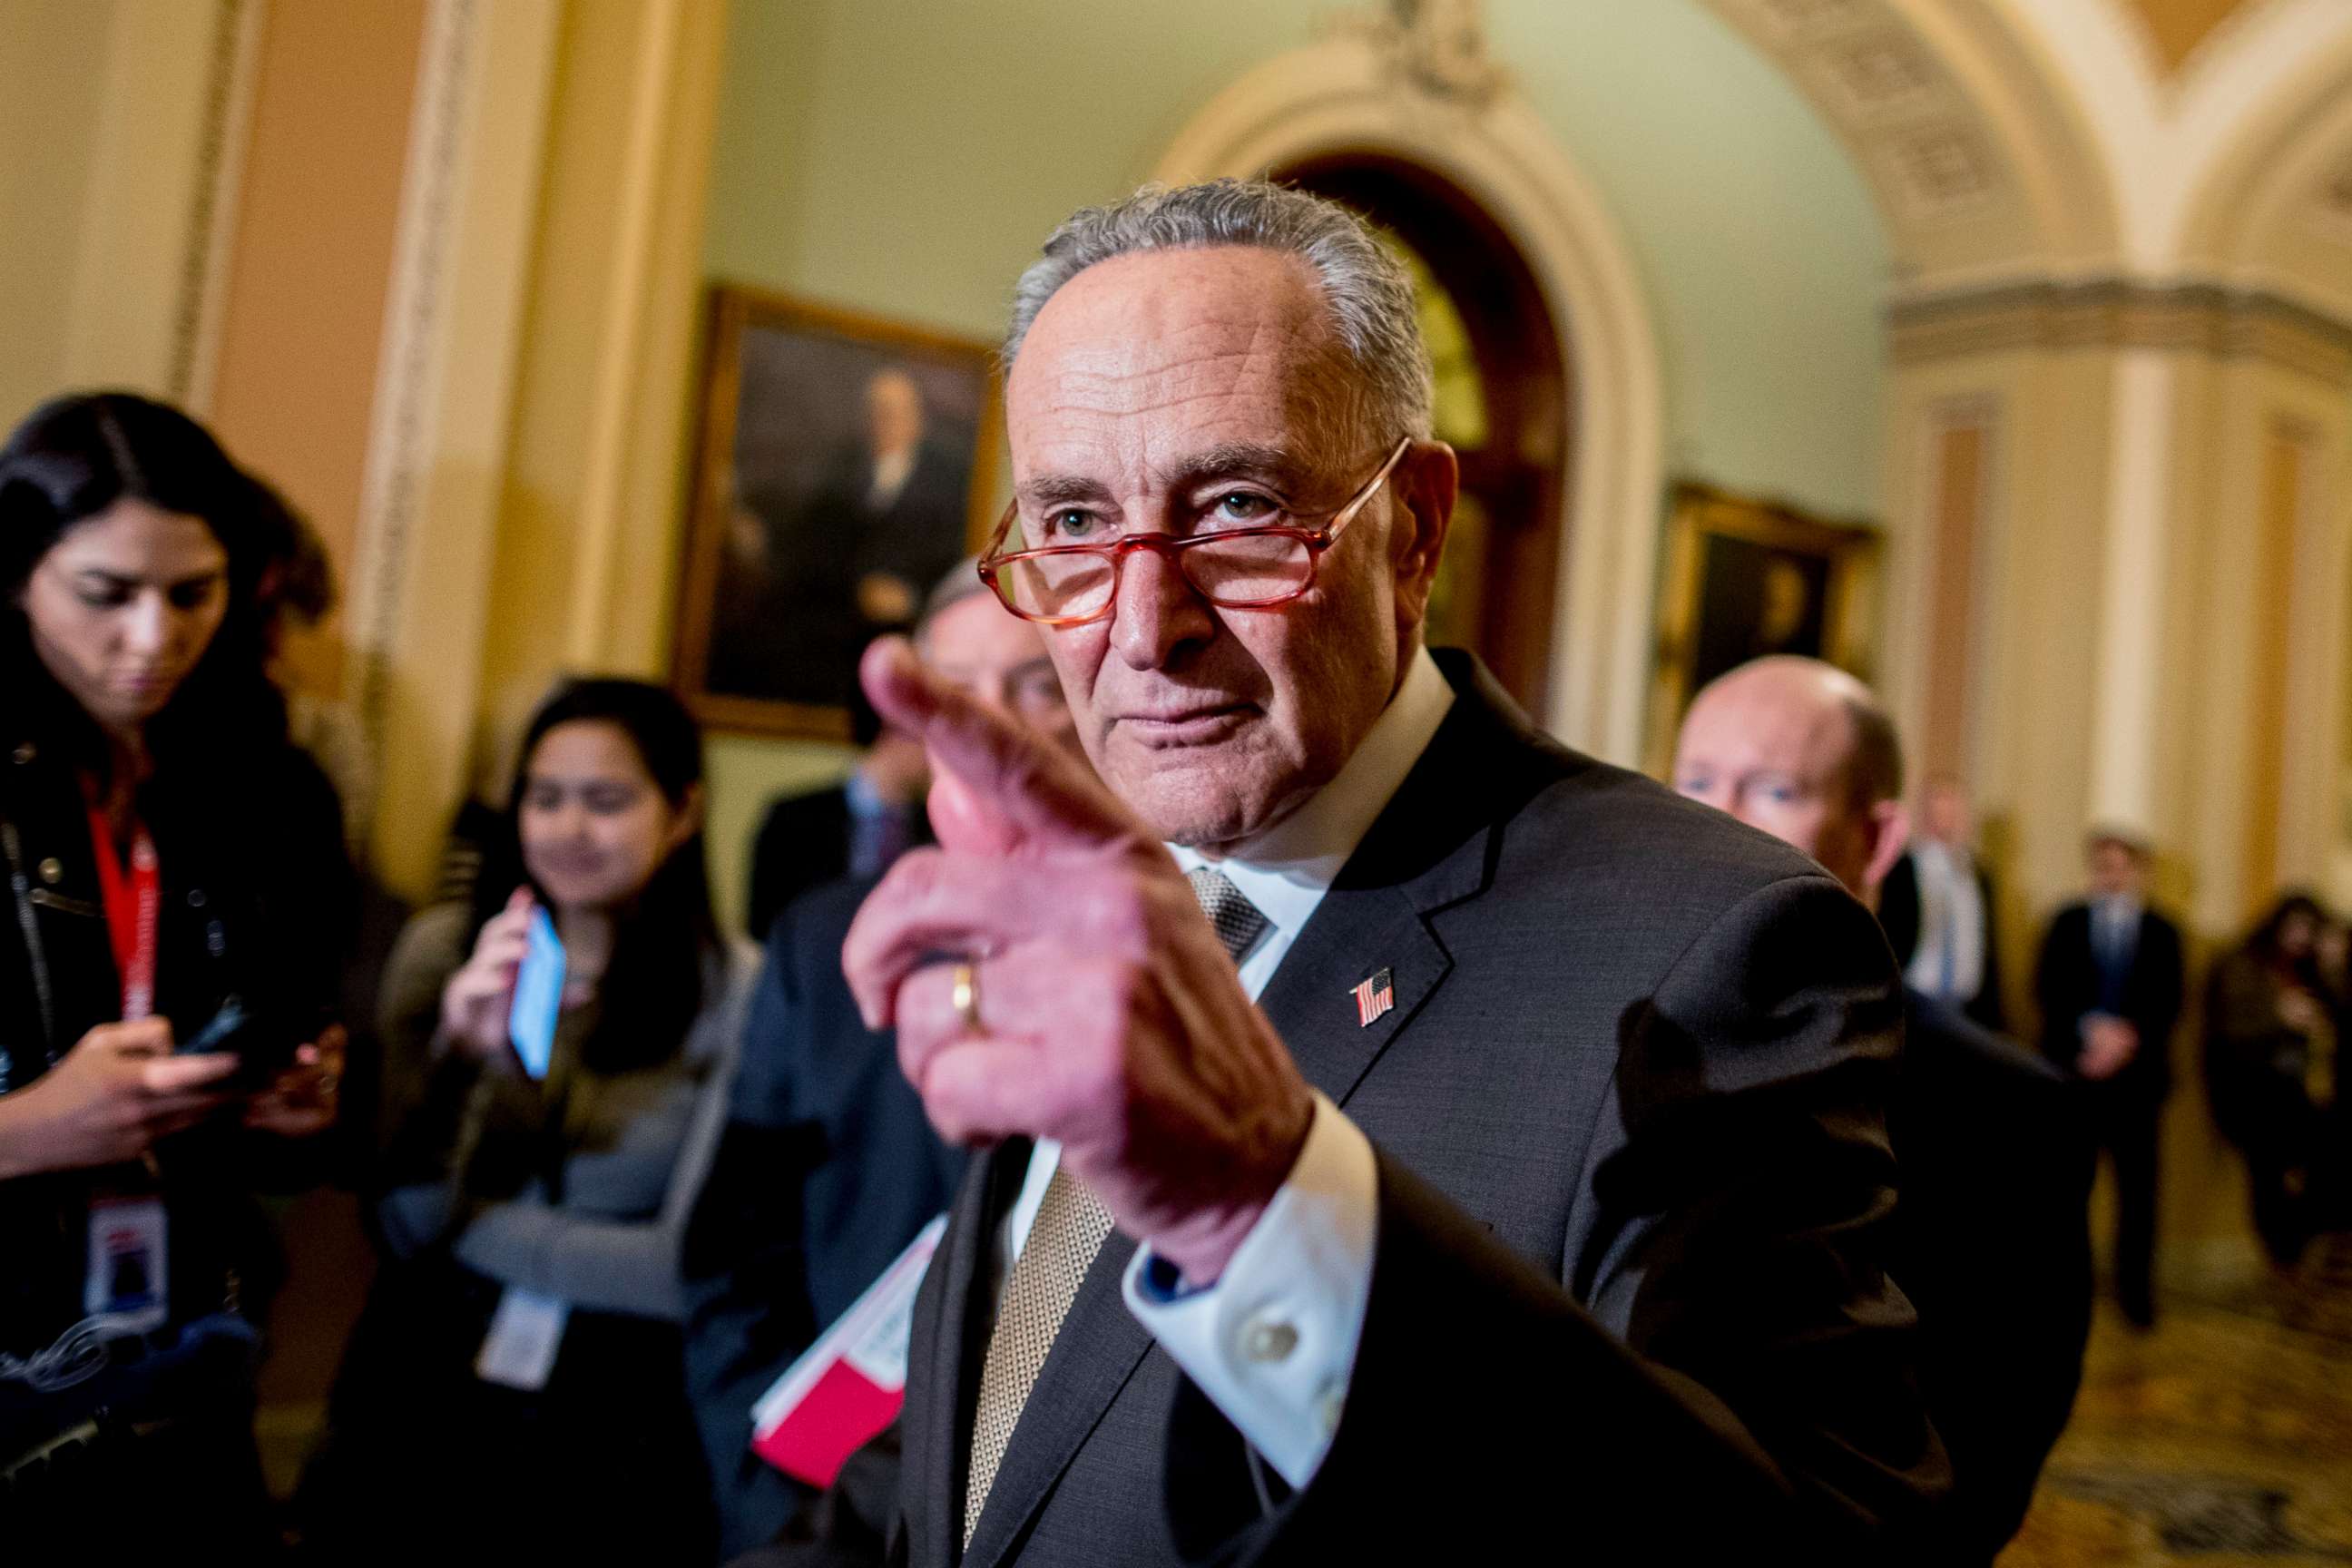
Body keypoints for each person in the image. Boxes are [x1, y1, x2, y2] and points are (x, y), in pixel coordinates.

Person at [779, 179, 1940, 1567]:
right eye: (1078, 526)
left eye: (1241, 506)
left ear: (1420, 527)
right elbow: (990, 1443)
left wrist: (1262, 1205)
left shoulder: (1717, 948)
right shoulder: (1088, 891)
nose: (1145, 631)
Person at [0, 391, 352, 1556]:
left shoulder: (264, 785)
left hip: (189, 1347)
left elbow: (281, 1022)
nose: (153, 638)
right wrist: (25, 1130)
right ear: (15, 578)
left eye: (192, 595)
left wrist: (290, 1108)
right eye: (105, 596)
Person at [296, 679, 749, 1564]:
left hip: (617, 1416)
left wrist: (470, 1228)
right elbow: (399, 1223)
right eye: (544, 799)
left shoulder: (736, 988)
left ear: (683, 810)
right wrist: (464, 1055)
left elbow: (679, 1271)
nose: (568, 830)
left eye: (606, 801)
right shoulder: (444, 952)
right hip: (421, 1393)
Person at [688, 564, 1082, 1559]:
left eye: (1034, 684)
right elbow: (736, 1253)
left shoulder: (1200, 942)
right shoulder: (826, 947)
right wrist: (767, 1500)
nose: (987, 724)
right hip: (817, 1508)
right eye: (951, 692)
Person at [1673, 656, 2092, 1566]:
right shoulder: (1608, 1031)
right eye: (1697, 782)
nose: (1717, 819)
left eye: (1774, 789)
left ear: (1878, 833)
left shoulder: (2012, 1107)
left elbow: (1999, 1419)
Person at [2034, 828, 2185, 1327]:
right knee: (2064, 1190)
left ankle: (2135, 1295)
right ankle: (2061, 1290)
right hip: (2073, 1076)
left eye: (2121, 866)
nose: (2111, 875)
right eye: (2103, 865)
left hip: (2138, 1083)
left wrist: (2125, 1038)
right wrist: (2089, 1030)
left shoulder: (2164, 931)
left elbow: (2170, 1002)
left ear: (2139, 871)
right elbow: (2047, 987)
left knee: (2139, 1195)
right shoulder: (2067, 921)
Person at [745, 657, 932, 943]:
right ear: (894, 727)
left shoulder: (941, 829)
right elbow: (762, 931)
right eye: (927, 729)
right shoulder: (791, 821)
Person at [2204, 892, 2337, 1267]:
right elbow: (2229, 1028)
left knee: (2323, 1165)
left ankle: (2296, 1248)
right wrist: (2281, 1017)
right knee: (2267, 1178)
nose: (2301, 936)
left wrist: (2331, 967)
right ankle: (2285, 1256)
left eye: (2310, 929)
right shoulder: (2244, 963)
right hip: (2252, 1094)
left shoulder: (2311, 969)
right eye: (2295, 926)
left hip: (2304, 1094)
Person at [1882, 775, 2008, 1031]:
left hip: (1969, 1007)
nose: (1946, 820)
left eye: (1953, 810)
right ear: (1925, 814)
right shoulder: (1901, 870)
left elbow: (1987, 948)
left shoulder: (1979, 873)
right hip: (1913, 1003)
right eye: (1938, 811)